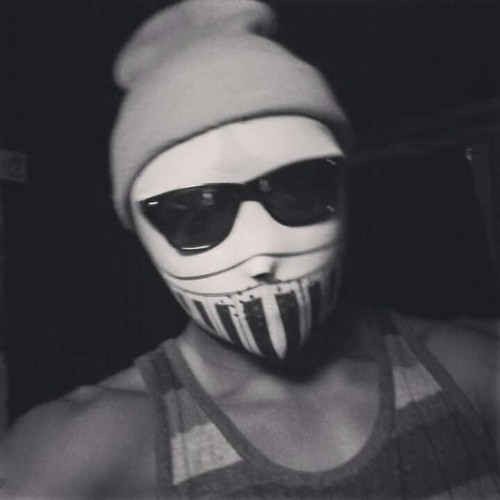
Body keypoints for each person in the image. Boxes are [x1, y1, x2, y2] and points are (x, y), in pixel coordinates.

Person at [1, 0, 499, 498]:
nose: (262, 257)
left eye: (298, 191)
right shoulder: (85, 449)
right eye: (195, 214)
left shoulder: (468, 372)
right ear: (140, 229)